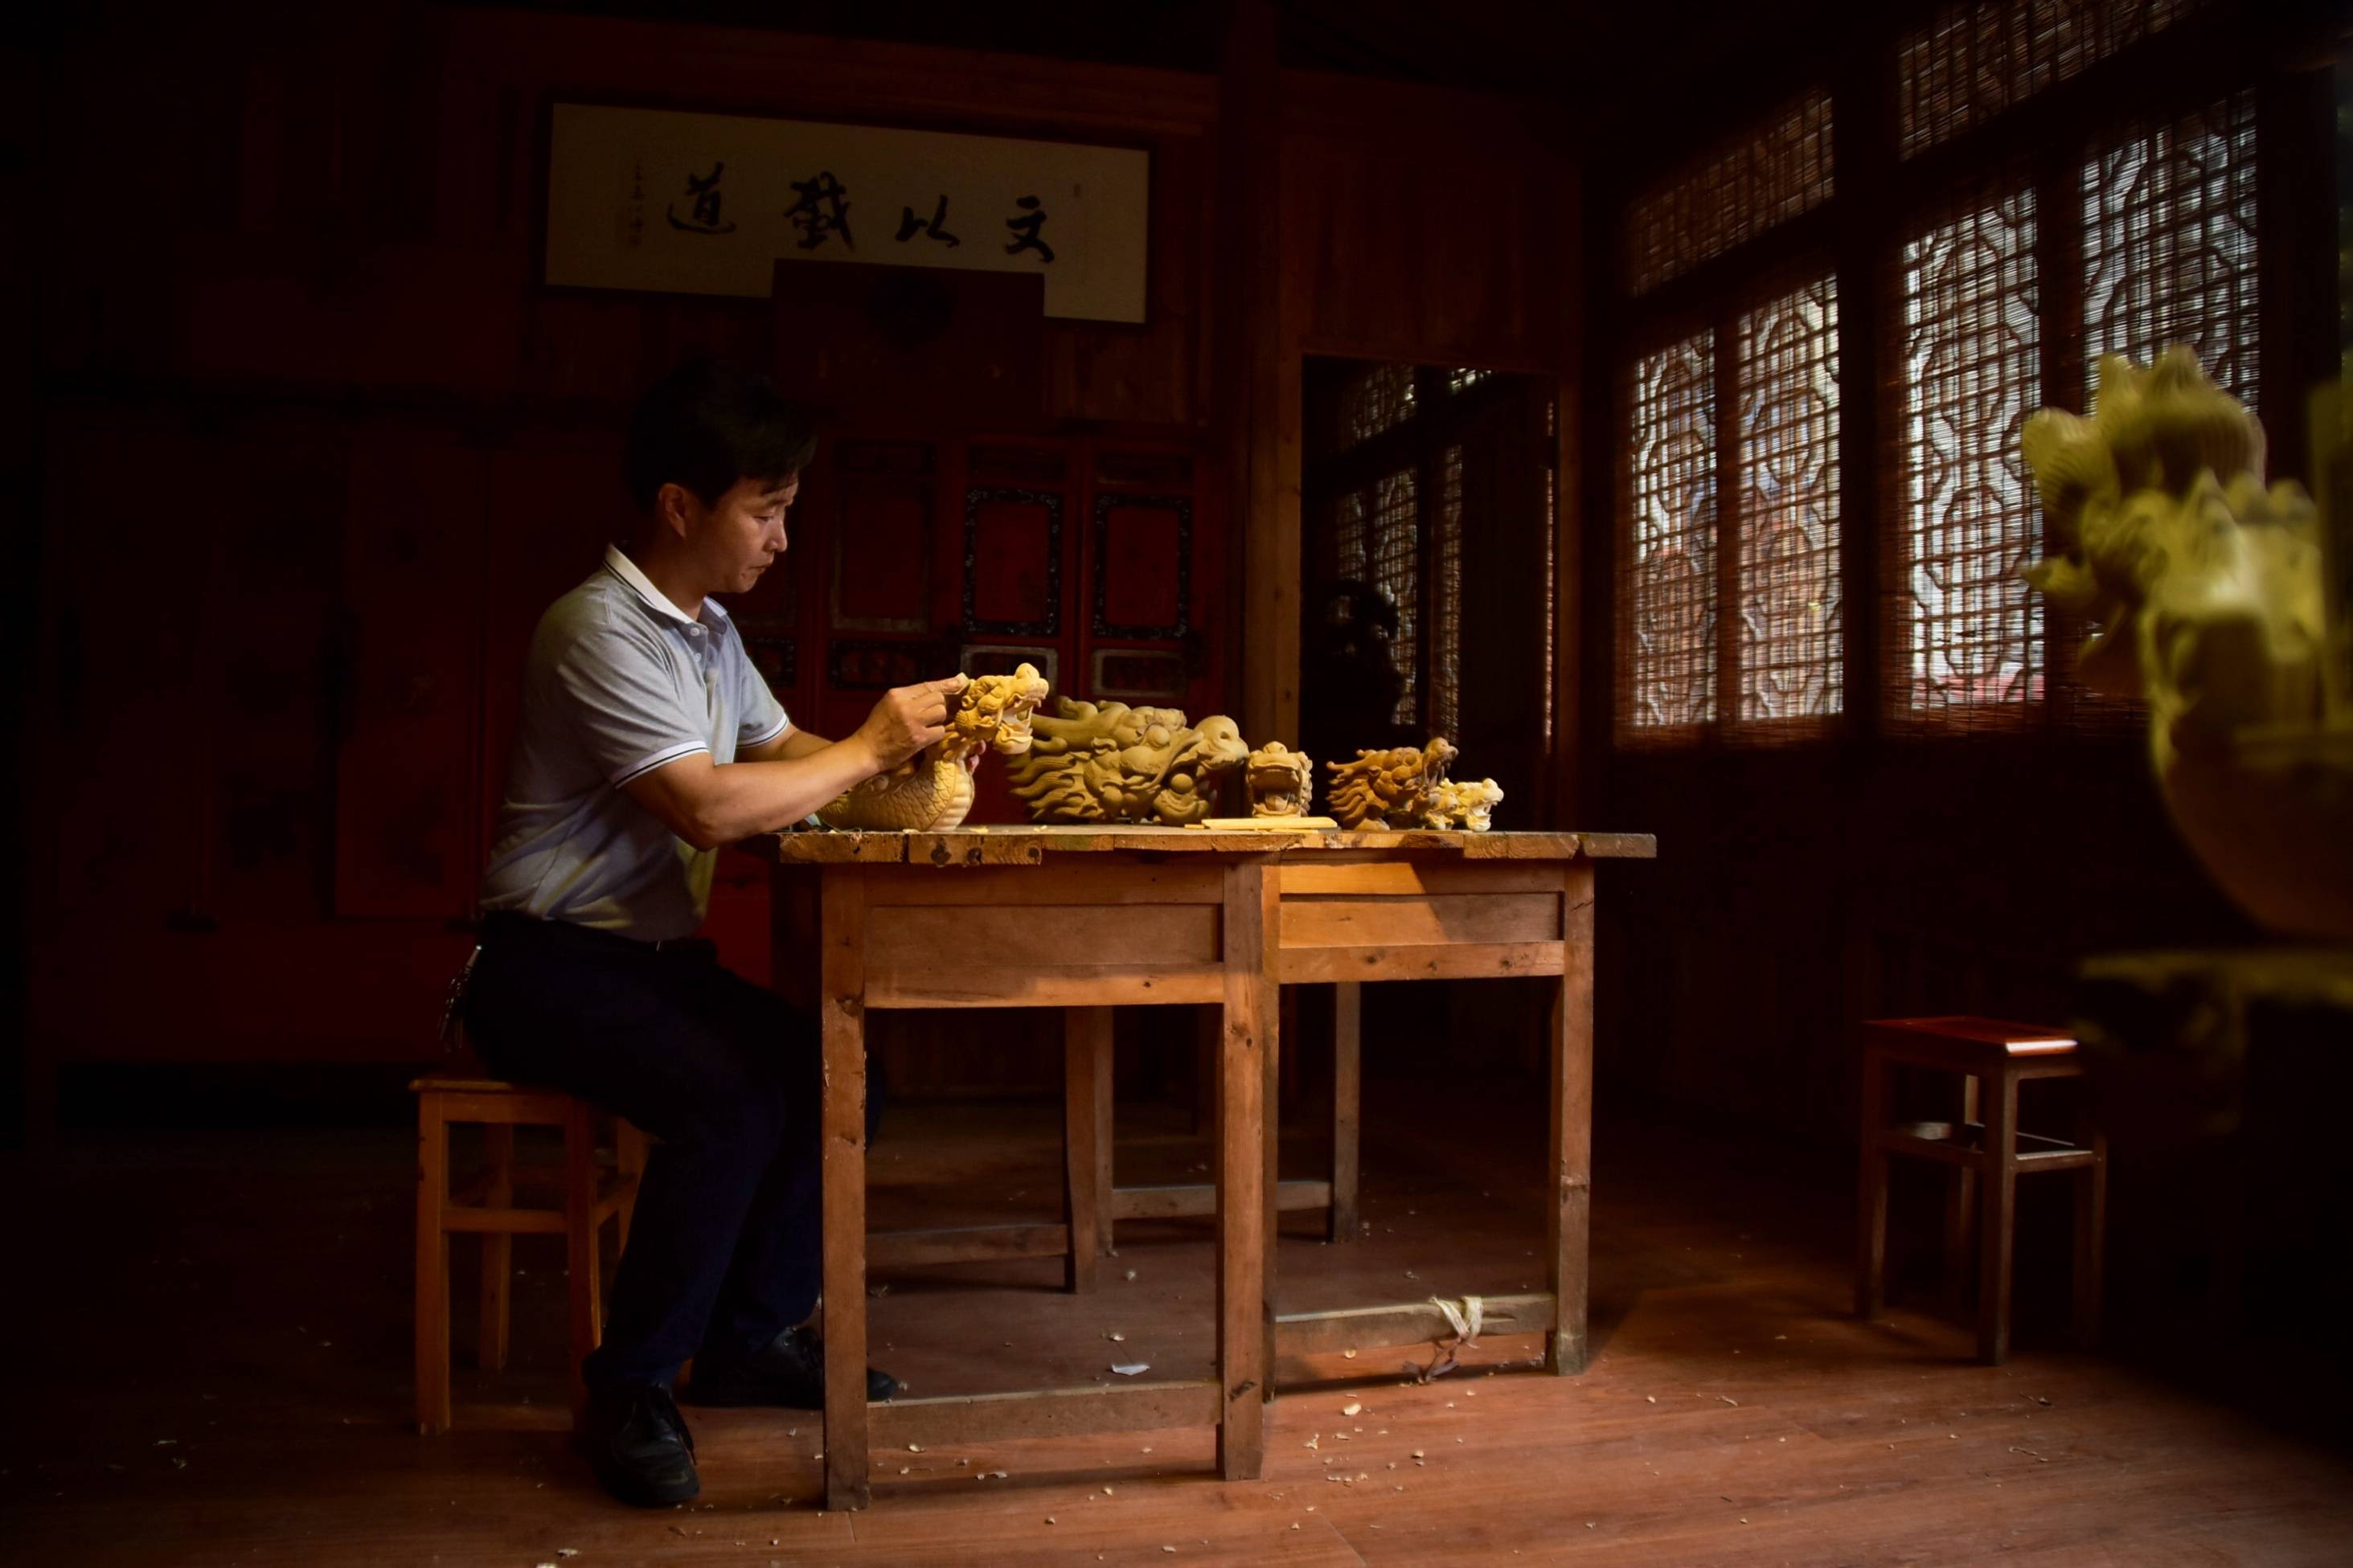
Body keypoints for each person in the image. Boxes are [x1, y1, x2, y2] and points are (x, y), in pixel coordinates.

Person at [458, 358, 967, 1507]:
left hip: (652, 967)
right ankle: (630, 1389)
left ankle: (749, 1338)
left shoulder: (708, 634)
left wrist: (915, 756)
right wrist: (870, 751)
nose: (783, 537)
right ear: (681, 507)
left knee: (842, 1081)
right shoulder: (597, 629)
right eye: (767, 508)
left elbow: (784, 756)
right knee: (731, 1101)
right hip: (544, 965)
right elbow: (704, 802)